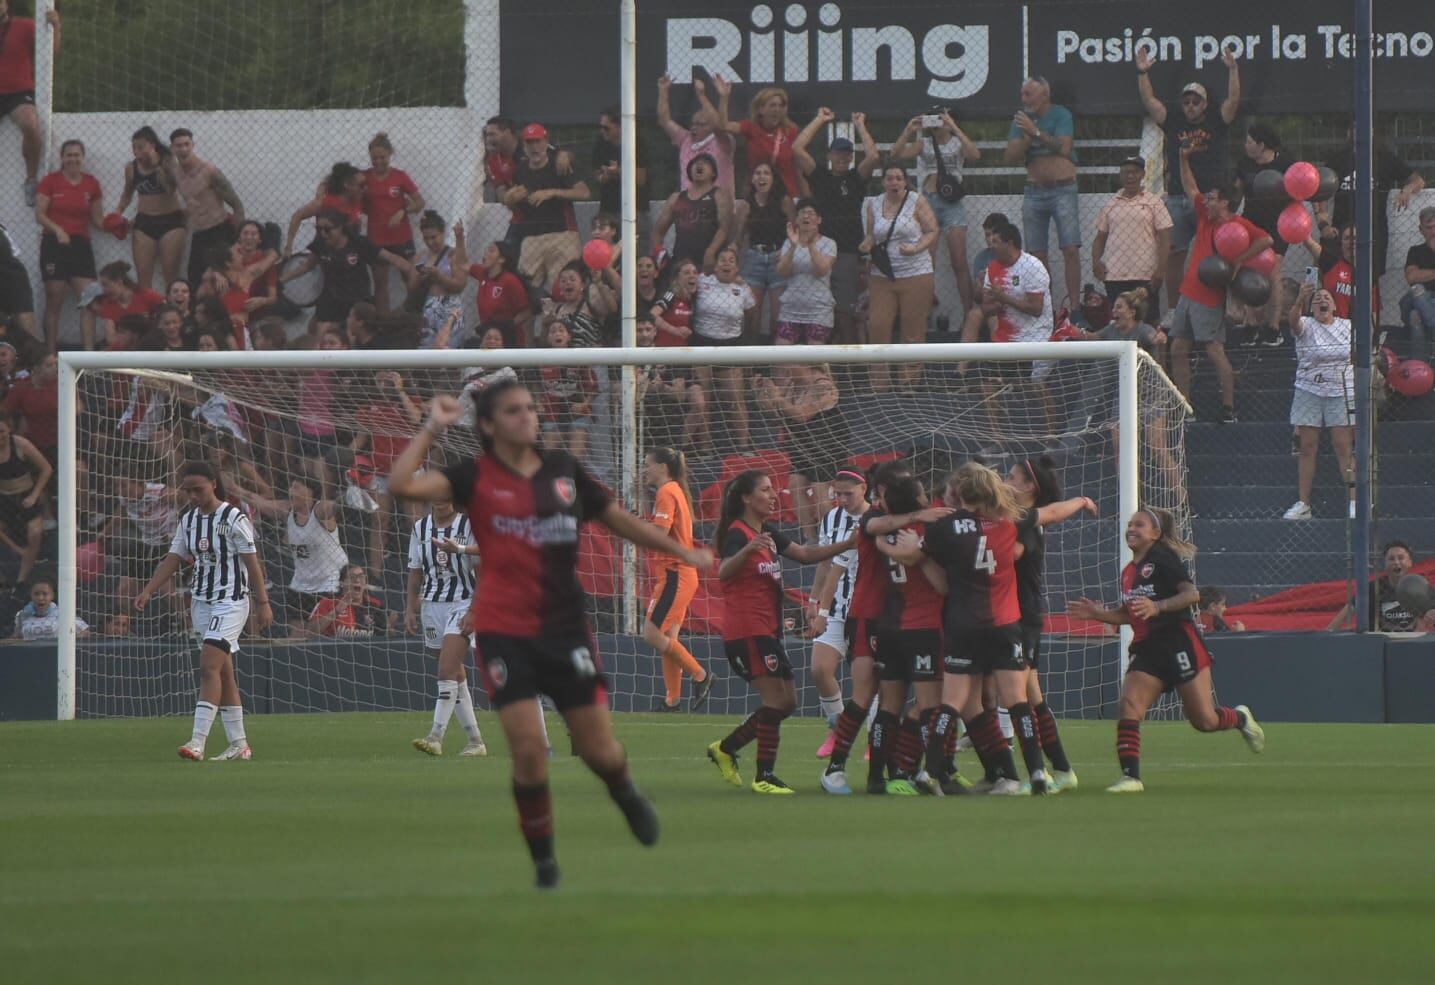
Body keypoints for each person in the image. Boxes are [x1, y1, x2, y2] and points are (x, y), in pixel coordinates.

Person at [388, 380, 714, 889]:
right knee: (527, 751)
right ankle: (544, 861)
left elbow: (619, 522)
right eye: (514, 411)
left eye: (531, 409)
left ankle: (624, 790)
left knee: (599, 749)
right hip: (503, 630)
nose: (528, 417)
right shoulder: (473, 477)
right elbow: (401, 485)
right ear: (490, 425)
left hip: (565, 629)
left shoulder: (564, 471)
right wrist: (431, 426)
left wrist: (686, 552)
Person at [1067, 506, 1265, 792]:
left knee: (1205, 721)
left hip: (1179, 643)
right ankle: (1130, 777)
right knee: (1129, 704)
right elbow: (1130, 614)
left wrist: (1158, 606)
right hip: (1148, 648)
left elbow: (1192, 594)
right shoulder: (1128, 572)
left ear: (1156, 534)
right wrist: (1097, 613)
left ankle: (1241, 717)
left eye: (1140, 525)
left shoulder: (1162, 558)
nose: (1132, 529)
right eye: (1130, 524)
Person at [881, 463, 1041, 795]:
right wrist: (1080, 502)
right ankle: (1032, 772)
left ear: (957, 493)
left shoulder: (940, 527)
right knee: (1010, 700)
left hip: (955, 622)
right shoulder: (1009, 522)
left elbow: (921, 563)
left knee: (951, 703)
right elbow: (1045, 514)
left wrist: (889, 545)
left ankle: (933, 771)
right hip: (1002, 622)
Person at [706, 470, 851, 794]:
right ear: (746, 498)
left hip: (766, 631)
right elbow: (723, 573)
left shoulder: (766, 531)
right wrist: (747, 550)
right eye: (766, 490)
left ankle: (725, 749)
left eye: (774, 489)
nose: (775, 495)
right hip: (746, 632)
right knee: (776, 701)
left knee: (786, 703)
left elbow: (803, 554)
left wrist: (848, 544)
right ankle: (764, 776)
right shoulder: (738, 533)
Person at [819, 461, 952, 794]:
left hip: (893, 619)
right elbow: (875, 529)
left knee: (891, 700)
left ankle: (894, 772)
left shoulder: (890, 525)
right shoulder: (873, 520)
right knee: (867, 695)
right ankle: (836, 769)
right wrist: (919, 518)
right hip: (867, 616)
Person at [135, 461, 272, 761]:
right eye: (188, 491)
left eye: (198, 489)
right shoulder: (188, 520)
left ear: (213, 483)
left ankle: (198, 741)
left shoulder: (234, 517)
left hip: (231, 600)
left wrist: (263, 603)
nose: (193, 496)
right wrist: (149, 589)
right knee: (223, 672)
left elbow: (252, 562)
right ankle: (240, 745)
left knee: (208, 665)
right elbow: (174, 557)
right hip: (201, 601)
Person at [1005, 458, 1099, 793]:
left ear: (1030, 487)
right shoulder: (1019, 518)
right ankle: (1060, 769)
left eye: (1011, 477)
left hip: (1020, 618)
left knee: (1019, 697)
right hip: (1014, 616)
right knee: (1031, 697)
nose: (1005, 481)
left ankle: (1037, 774)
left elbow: (1012, 554)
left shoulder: (1024, 523)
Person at [1169, 143, 1270, 422]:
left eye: (1212, 198)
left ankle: (1229, 407)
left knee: (1214, 350)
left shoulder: (1237, 226)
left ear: (1224, 202)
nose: (1206, 201)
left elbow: (1266, 240)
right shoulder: (1204, 216)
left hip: (1208, 297)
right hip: (1187, 294)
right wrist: (1183, 158)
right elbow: (1190, 187)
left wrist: (1239, 261)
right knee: (1177, 348)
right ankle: (1184, 406)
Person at [1136, 45, 1241, 313]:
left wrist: (1233, 69)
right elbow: (1150, 102)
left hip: (1209, 199)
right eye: (1187, 102)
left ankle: (1217, 307)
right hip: (1178, 197)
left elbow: (1233, 101)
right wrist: (1142, 72)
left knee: (1215, 253)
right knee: (1174, 254)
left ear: (1205, 103)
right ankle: (1174, 310)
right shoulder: (1172, 122)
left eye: (1196, 102)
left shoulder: (1217, 120)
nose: (1191, 107)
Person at [866, 474, 951, 796]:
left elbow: (875, 535)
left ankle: (876, 777)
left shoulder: (886, 531)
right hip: (924, 627)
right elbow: (942, 586)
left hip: (890, 628)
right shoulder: (925, 533)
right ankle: (911, 771)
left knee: (889, 706)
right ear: (918, 500)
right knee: (931, 706)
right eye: (922, 492)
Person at [407, 499, 486, 757]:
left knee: (445, 670)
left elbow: (482, 570)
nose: (440, 499)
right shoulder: (420, 528)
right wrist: (410, 608)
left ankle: (436, 735)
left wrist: (474, 610)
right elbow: (415, 573)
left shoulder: (468, 524)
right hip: (431, 605)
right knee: (454, 672)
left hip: (462, 602)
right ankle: (475, 741)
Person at [793, 109, 880, 344]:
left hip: (847, 252)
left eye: (847, 153)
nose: (842, 157)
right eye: (838, 153)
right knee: (819, 309)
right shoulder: (820, 175)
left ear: (851, 156)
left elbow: (872, 157)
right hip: (819, 250)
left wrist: (860, 125)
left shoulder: (855, 179)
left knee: (844, 311)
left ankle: (849, 368)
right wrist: (819, 120)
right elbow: (797, 148)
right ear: (829, 155)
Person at [641, 447, 713, 711]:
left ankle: (700, 675)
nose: (645, 469)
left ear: (662, 467)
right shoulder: (674, 490)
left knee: (650, 633)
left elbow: (660, 530)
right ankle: (673, 699)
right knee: (668, 638)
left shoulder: (666, 491)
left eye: (648, 464)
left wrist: (632, 525)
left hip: (675, 573)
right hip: (680, 573)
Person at [892, 107, 981, 313]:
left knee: (959, 260)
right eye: (932, 118)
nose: (936, 123)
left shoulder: (957, 141)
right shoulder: (924, 143)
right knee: (926, 261)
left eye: (939, 118)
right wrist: (908, 130)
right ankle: (924, 313)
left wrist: (954, 127)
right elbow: (896, 155)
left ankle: (968, 313)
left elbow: (975, 155)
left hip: (952, 203)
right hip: (928, 202)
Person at [1004, 77, 1082, 311]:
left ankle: (1075, 308)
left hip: (1063, 189)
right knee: (1037, 254)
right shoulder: (1021, 120)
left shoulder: (1061, 115)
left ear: (1044, 96)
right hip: (1034, 192)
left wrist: (1036, 131)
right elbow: (1009, 157)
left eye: (1029, 94)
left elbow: (1064, 147)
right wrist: (1027, 135)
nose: (1024, 99)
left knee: (1070, 249)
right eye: (1022, 94)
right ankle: (1046, 308)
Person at [753, 362, 849, 544]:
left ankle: (834, 538)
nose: (786, 368)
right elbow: (776, 413)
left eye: (792, 363)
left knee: (819, 491)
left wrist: (777, 398)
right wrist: (763, 393)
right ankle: (811, 538)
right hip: (801, 443)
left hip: (826, 442)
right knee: (796, 486)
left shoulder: (823, 385)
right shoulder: (793, 385)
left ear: (806, 365)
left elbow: (802, 414)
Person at [282, 209, 416, 338]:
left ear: (340, 227)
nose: (323, 233)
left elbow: (389, 257)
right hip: (331, 298)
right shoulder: (320, 244)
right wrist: (283, 279)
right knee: (320, 333)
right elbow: (307, 266)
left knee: (352, 335)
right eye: (318, 229)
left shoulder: (358, 243)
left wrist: (408, 267)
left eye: (327, 229)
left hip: (356, 297)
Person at [860, 165, 937, 391]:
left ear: (905, 182)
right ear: (883, 182)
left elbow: (932, 231)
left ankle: (908, 380)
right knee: (878, 324)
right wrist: (866, 244)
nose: (894, 182)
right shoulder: (873, 204)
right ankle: (879, 383)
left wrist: (916, 247)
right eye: (889, 178)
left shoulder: (917, 201)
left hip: (916, 272)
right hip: (882, 274)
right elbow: (871, 236)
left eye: (898, 178)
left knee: (912, 328)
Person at [808, 467, 866, 758]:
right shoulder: (831, 518)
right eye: (838, 494)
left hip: (867, 611)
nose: (842, 499)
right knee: (819, 669)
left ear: (864, 490)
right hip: (834, 607)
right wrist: (813, 599)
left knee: (867, 678)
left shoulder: (875, 519)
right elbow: (823, 562)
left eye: (848, 494)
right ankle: (839, 729)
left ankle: (874, 739)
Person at [1284, 285, 1355, 521]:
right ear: (1312, 307)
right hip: (1308, 390)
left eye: (1327, 298)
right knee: (1307, 447)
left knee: (1342, 445)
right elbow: (1293, 322)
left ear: (1334, 306)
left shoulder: (1347, 326)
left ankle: (1355, 502)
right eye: (1317, 299)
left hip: (1340, 391)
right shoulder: (1306, 324)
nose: (1322, 301)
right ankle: (1304, 504)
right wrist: (1300, 299)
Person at [1318, 126, 1424, 279]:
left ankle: (1372, 303)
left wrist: (1407, 190)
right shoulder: (1338, 159)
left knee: (1372, 277)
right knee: (1334, 273)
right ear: (1349, 132)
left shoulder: (1384, 157)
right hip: (1342, 228)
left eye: (1364, 126)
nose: (1358, 131)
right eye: (1354, 127)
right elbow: (1322, 190)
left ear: (1373, 131)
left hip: (1374, 228)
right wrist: (1324, 224)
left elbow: (1418, 180)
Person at [34, 138, 104, 350]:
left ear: (82, 158)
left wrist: (120, 224)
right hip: (54, 244)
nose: (73, 159)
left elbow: (98, 219)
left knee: (89, 300)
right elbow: (40, 215)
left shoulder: (91, 183)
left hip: (80, 245)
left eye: (77, 155)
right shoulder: (50, 181)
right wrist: (58, 230)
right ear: (62, 157)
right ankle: (50, 355)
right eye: (69, 155)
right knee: (54, 298)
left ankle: (88, 358)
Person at [505, 123, 589, 293]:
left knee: (561, 289)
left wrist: (551, 192)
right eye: (529, 143)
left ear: (546, 142)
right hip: (531, 236)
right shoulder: (520, 170)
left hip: (562, 234)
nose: (534, 147)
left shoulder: (559, 164)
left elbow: (584, 193)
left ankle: (564, 319)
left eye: (538, 142)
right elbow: (516, 210)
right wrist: (510, 199)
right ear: (524, 145)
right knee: (523, 290)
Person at [1091, 156, 1171, 324]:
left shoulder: (1154, 202)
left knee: (1147, 324)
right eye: (1126, 172)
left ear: (1142, 174)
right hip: (1115, 276)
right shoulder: (1111, 203)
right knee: (1119, 323)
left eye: (1134, 172)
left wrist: (1161, 270)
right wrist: (1096, 262)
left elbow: (1165, 238)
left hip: (1145, 275)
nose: (1130, 176)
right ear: (1120, 176)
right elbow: (1099, 238)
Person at [1234, 123, 1295, 342]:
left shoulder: (1286, 162)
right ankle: (1250, 321)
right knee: (1249, 271)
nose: (1246, 145)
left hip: (1279, 225)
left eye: (1249, 141)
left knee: (1272, 270)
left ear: (1261, 145)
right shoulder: (1245, 164)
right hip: (1252, 223)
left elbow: (1298, 190)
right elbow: (1237, 192)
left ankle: (1273, 325)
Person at [692, 246, 754, 448]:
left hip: (730, 344)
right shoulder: (702, 281)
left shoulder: (743, 289)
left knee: (736, 398)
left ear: (737, 268)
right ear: (715, 265)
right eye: (722, 260)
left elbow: (752, 315)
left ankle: (743, 446)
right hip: (702, 342)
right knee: (706, 397)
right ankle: (705, 446)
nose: (726, 263)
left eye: (731, 260)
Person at [169, 128, 244, 290]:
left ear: (193, 145)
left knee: (224, 280)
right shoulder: (176, 173)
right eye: (179, 145)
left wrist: (238, 239)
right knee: (195, 279)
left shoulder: (209, 171)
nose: (183, 149)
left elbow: (236, 204)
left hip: (220, 230)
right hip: (199, 233)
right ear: (172, 148)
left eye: (186, 144)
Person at [0, 0, 59, 205]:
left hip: (18, 91)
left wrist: (55, 27)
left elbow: (50, 54)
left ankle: (31, 179)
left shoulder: (25, 26)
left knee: (31, 125)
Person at [115, 126, 185, 291]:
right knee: (143, 279)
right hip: (145, 222)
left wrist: (158, 167)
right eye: (134, 147)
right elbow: (127, 194)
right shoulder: (131, 168)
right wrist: (117, 213)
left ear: (152, 146)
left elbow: (173, 189)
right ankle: (146, 315)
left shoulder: (168, 161)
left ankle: (172, 313)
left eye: (141, 147)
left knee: (171, 278)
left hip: (171, 221)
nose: (137, 151)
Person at [362, 132, 424, 313]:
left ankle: (414, 318)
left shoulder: (400, 176)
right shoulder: (363, 177)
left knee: (412, 280)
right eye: (374, 158)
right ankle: (384, 326)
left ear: (390, 155)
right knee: (380, 285)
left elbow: (419, 202)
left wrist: (402, 212)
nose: (378, 161)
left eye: (382, 157)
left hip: (401, 237)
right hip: (376, 239)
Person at [731, 162, 793, 340]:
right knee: (752, 314)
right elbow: (739, 236)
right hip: (754, 259)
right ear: (752, 179)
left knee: (777, 315)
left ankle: (775, 363)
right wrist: (733, 249)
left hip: (778, 258)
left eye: (766, 173)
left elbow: (793, 231)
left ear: (773, 179)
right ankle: (752, 364)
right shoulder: (746, 204)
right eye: (757, 173)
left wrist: (788, 251)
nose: (761, 177)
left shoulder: (784, 201)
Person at [712, 76, 802, 196]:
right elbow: (724, 126)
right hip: (758, 195)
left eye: (781, 106)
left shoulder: (790, 131)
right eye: (772, 105)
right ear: (761, 109)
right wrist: (724, 98)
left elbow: (798, 167)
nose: (777, 110)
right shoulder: (751, 127)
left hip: (786, 194)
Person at [657, 75, 736, 198]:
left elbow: (719, 126)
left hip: (717, 208)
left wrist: (702, 96)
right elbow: (665, 121)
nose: (694, 127)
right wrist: (663, 91)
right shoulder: (685, 139)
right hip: (690, 208)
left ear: (711, 127)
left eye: (701, 124)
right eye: (693, 123)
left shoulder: (723, 142)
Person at [651, 153, 732, 274]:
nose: (699, 164)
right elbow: (658, 231)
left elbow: (724, 228)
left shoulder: (720, 195)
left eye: (706, 163)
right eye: (695, 162)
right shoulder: (676, 198)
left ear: (713, 173)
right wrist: (659, 255)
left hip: (708, 264)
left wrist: (711, 252)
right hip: (681, 263)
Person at [775, 198, 837, 346]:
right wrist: (792, 246)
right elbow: (782, 272)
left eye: (811, 213)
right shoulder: (788, 242)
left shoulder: (829, 243)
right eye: (802, 213)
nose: (806, 216)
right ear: (796, 219)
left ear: (819, 219)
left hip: (818, 311)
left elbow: (821, 270)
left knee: (815, 360)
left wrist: (810, 244)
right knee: (781, 354)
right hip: (791, 309)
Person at [0, 409, 50, 585]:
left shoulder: (20, 444)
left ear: (9, 430)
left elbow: (46, 469)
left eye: (2, 431)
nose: (0, 436)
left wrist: (34, 495)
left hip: (26, 496)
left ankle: (22, 580)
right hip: (4, 499)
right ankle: (17, 552)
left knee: (35, 533)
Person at [1327, 541, 1421, 632]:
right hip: (1379, 641)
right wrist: (1326, 635)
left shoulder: (1419, 588)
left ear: (1410, 562)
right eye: (1391, 559)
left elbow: (1427, 618)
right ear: (1385, 564)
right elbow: (1347, 612)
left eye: (1401, 558)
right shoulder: (1373, 588)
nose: (1396, 562)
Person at [537, 318, 597, 458]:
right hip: (552, 413)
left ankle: (574, 478)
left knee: (576, 458)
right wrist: (539, 403)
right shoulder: (539, 360)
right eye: (553, 331)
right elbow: (534, 386)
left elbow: (593, 388)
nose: (557, 334)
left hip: (577, 413)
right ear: (547, 338)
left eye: (561, 330)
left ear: (569, 336)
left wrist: (584, 404)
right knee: (548, 458)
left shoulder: (579, 359)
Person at [407, 212, 469, 348]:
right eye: (426, 238)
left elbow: (460, 284)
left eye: (434, 237)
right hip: (427, 307)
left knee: (448, 349)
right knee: (425, 349)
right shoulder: (420, 257)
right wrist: (420, 276)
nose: (430, 242)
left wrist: (439, 277)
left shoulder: (452, 254)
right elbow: (411, 288)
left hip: (449, 307)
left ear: (443, 233)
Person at [284, 162, 365, 257]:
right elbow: (297, 216)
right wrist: (289, 247)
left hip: (351, 254)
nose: (365, 188)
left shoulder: (358, 199)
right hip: (328, 255)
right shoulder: (325, 203)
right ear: (347, 185)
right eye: (361, 185)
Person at [468, 240, 531, 347]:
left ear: (501, 259)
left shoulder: (510, 281)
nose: (485, 254)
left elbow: (527, 311)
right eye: (486, 251)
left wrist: (506, 327)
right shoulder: (483, 274)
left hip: (509, 339)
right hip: (488, 336)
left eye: (491, 251)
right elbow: (463, 265)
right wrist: (459, 238)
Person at [591, 105, 648, 220]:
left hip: (635, 210)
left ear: (620, 127)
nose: (602, 131)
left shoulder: (637, 144)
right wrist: (605, 176)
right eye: (601, 127)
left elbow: (641, 179)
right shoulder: (601, 145)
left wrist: (619, 171)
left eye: (606, 128)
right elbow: (597, 175)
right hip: (608, 210)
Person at [93, 261, 164, 349]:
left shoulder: (147, 296)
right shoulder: (108, 304)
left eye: (106, 285)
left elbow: (168, 313)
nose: (103, 290)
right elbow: (111, 339)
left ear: (119, 283)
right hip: (124, 350)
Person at [307, 563, 389, 638]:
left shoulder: (375, 604)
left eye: (361, 576)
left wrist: (390, 628)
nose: (357, 580)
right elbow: (310, 633)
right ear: (342, 582)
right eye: (352, 577)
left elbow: (381, 637)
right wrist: (335, 612)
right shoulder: (328, 602)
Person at [1399, 206, 1435, 365]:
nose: (1433, 231)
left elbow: (1418, 275)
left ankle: (1419, 368)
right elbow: (1412, 277)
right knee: (1417, 290)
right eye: (1429, 227)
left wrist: (1426, 274)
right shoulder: (1415, 251)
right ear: (1421, 230)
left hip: (1426, 308)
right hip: (1418, 298)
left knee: (1415, 316)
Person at [13, 574, 87, 640]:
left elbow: (85, 632)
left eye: (45, 594)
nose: (40, 598)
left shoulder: (64, 614)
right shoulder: (22, 615)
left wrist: (67, 642)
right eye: (36, 594)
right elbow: (16, 637)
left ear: (52, 595)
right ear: (31, 595)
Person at [650, 257, 698, 347]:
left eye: (695, 272)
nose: (692, 275)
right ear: (677, 278)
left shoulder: (693, 300)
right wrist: (674, 330)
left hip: (683, 352)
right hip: (664, 350)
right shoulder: (670, 295)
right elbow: (652, 315)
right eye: (687, 273)